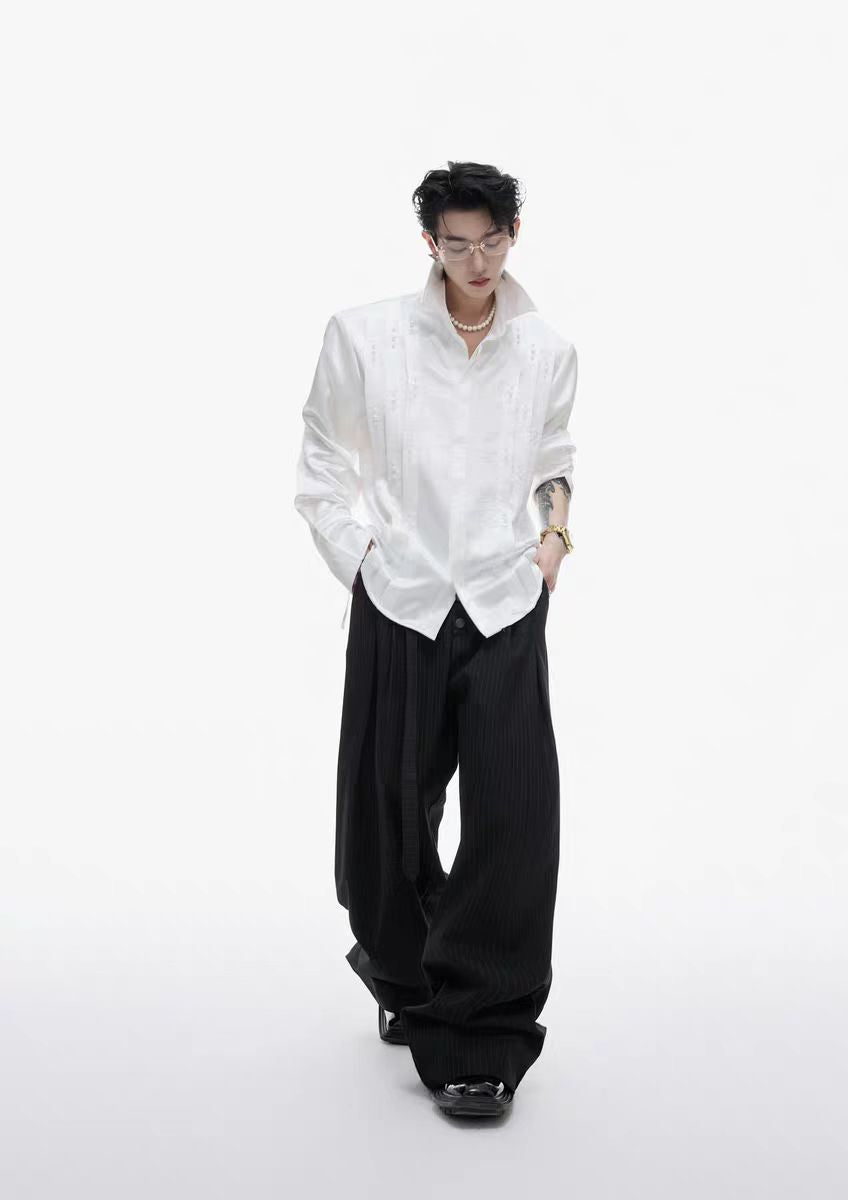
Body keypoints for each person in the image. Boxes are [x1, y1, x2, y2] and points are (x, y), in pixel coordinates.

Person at [293, 160, 577, 1119]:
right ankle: (408, 975)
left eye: (492, 242)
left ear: (513, 235)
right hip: (401, 598)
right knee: (384, 824)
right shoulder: (364, 336)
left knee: (515, 818)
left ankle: (480, 1034)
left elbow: (553, 459)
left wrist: (554, 541)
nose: (477, 262)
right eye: (457, 245)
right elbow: (320, 462)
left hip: (504, 600)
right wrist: (362, 561)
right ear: (430, 243)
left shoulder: (547, 351)